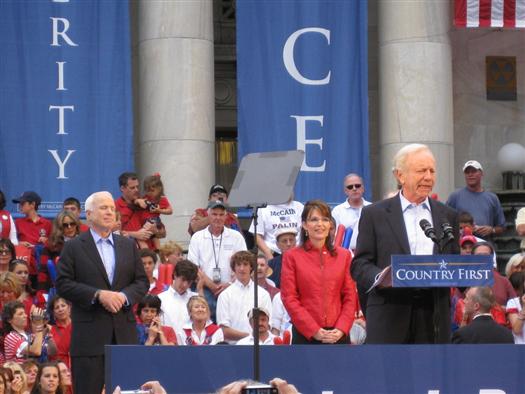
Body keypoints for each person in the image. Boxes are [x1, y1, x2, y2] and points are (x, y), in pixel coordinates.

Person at [351, 143, 460, 344]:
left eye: (432, 171)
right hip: (389, 315)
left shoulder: (448, 216)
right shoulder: (374, 214)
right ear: (400, 176)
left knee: (430, 375)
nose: (428, 177)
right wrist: (381, 277)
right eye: (421, 170)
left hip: (434, 317)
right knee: (390, 376)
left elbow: (454, 264)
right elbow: (359, 266)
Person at [56, 191, 149, 394]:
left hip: (124, 337)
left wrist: (124, 297)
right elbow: (63, 284)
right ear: (88, 215)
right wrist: (98, 294)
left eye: (112, 209)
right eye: (103, 208)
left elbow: (141, 282)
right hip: (89, 340)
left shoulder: (128, 245)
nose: (109, 212)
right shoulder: (73, 247)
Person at [281, 200, 356, 344]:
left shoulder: (344, 256)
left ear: (330, 225)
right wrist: (313, 330)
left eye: (325, 219)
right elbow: (289, 298)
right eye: (314, 219)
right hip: (306, 335)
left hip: (338, 335)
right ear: (304, 225)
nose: (320, 224)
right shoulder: (292, 257)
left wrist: (341, 328)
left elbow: (350, 297)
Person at [187, 200, 247, 321]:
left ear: (226, 216)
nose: (218, 218)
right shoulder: (197, 237)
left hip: (232, 288)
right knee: (207, 323)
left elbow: (244, 264)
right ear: (208, 216)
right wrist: (212, 285)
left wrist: (229, 284)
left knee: (230, 321)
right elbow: (193, 267)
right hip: (205, 288)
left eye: (221, 214)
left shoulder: (236, 236)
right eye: (214, 214)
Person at [216, 251, 273, 344]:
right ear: (234, 268)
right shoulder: (225, 295)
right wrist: (249, 337)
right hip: (234, 349)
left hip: (259, 348)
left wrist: (252, 339)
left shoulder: (263, 294)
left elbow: (268, 325)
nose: (242, 268)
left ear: (251, 267)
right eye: (238, 265)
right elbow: (224, 330)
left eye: (245, 264)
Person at [446, 160, 505, 238]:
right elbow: (445, 221)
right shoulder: (455, 197)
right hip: (463, 246)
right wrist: (460, 230)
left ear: (481, 173)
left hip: (485, 246)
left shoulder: (492, 198)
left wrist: (492, 230)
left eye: (474, 171)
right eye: (467, 172)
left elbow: (502, 227)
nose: (470, 174)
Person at [115, 172, 164, 247]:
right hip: (129, 254)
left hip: (151, 254)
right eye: (132, 188)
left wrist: (156, 231)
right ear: (122, 188)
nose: (136, 190)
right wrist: (135, 234)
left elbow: (163, 234)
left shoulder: (145, 203)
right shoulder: (114, 207)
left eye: (137, 187)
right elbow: (112, 234)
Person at [38, 211, 81, 293]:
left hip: (83, 288)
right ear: (59, 228)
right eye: (65, 225)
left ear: (76, 224)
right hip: (59, 289)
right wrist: (42, 292)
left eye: (72, 224)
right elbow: (43, 272)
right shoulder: (51, 246)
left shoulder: (86, 242)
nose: (69, 227)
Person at [331, 173, 371, 250]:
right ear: (345, 191)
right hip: (345, 255)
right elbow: (333, 237)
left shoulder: (373, 208)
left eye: (357, 186)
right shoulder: (337, 211)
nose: (354, 189)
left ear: (363, 188)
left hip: (369, 255)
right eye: (350, 187)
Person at [158, 259, 198, 334]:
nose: (185, 285)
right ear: (175, 275)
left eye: (189, 282)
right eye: (183, 280)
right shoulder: (160, 299)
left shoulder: (197, 298)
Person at [134, 174, 173, 251]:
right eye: (147, 191)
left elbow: (170, 210)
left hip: (153, 220)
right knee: (151, 236)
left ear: (159, 189)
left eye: (152, 191)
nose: (150, 193)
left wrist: (159, 210)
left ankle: (154, 250)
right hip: (145, 221)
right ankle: (155, 250)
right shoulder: (145, 197)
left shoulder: (161, 199)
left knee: (145, 234)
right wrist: (138, 201)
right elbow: (136, 201)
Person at [47, 296, 71, 368]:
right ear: (53, 313)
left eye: (63, 306)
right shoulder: (50, 330)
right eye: (57, 307)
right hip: (58, 368)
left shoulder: (78, 326)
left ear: (69, 308)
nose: (60, 309)